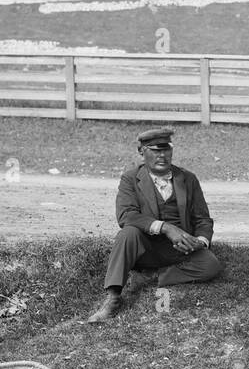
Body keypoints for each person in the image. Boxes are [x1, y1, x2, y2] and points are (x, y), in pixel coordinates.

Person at [87, 127, 221, 323]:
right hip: (146, 246)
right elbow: (126, 215)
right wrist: (166, 227)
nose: (162, 156)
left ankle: (151, 277)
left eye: (166, 150)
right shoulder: (131, 178)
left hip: (180, 249)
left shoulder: (188, 178)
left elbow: (202, 219)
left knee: (210, 265)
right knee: (127, 234)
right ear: (142, 152)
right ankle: (113, 297)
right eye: (155, 150)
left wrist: (199, 241)